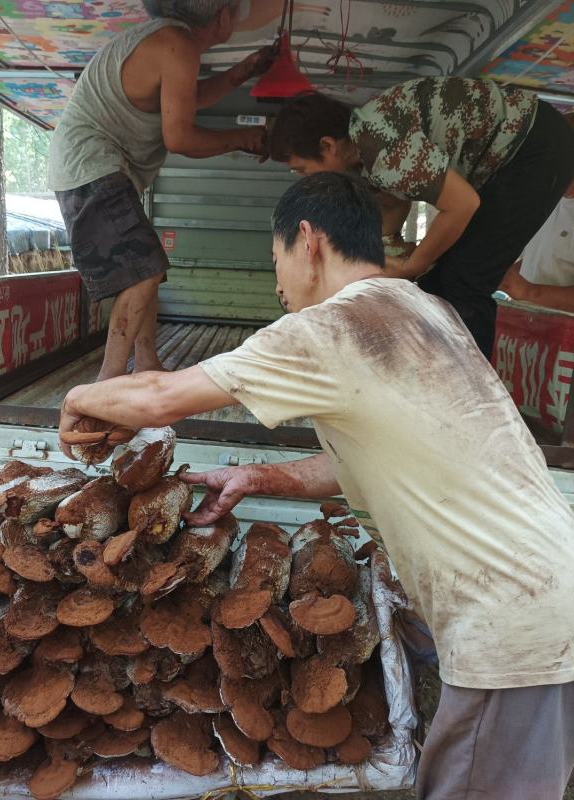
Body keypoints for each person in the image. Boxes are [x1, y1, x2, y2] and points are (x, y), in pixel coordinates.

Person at [59, 172, 574, 800]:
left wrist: (82, 396)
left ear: (308, 242)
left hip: (513, 624)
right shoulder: (422, 308)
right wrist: (259, 476)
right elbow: (389, 452)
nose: (276, 283)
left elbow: (162, 394)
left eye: (274, 259)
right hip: (546, 590)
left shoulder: (330, 328)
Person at [265, 78, 574, 359]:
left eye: (301, 169)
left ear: (327, 146)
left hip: (534, 147)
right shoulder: (363, 153)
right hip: (517, 153)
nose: (303, 179)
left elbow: (463, 204)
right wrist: (389, 254)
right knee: (437, 280)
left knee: (464, 280)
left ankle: (472, 390)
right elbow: (392, 204)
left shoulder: (382, 147)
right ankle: (438, 371)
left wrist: (413, 263)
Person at [47, 0, 275, 381]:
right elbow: (181, 136)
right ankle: (111, 378)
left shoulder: (167, 42)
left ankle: (147, 361)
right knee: (145, 272)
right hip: (91, 166)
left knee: (147, 269)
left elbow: (187, 100)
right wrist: (243, 138)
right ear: (222, 17)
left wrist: (241, 72)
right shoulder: (177, 45)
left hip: (91, 168)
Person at [499, 184, 574, 313]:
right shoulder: (546, 200)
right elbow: (543, 257)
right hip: (523, 320)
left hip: (560, 329)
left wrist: (528, 292)